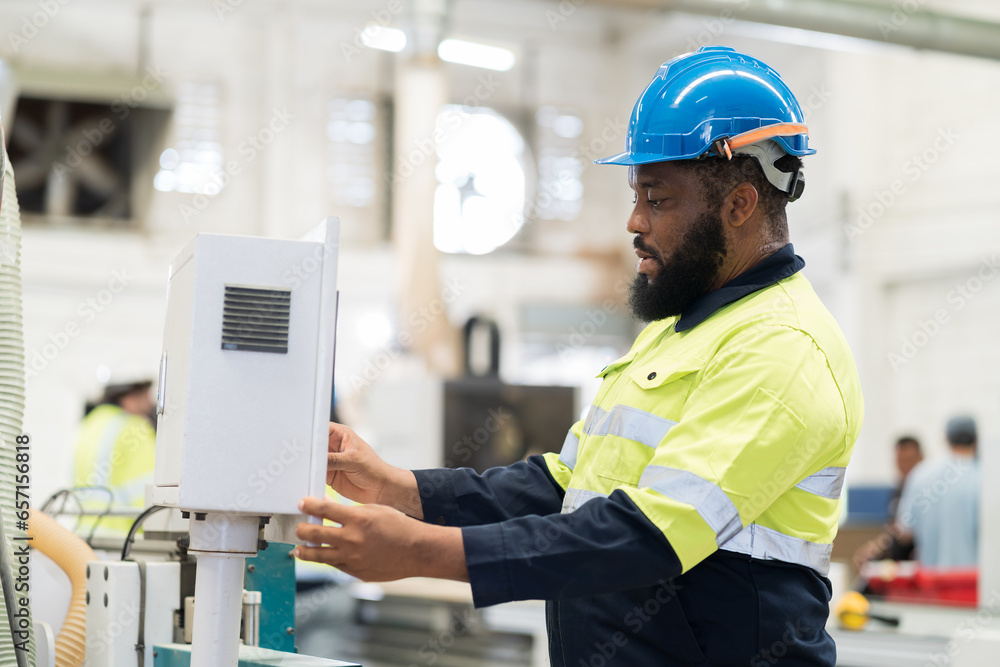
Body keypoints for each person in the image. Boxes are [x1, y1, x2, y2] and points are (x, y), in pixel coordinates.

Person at [293, 46, 863, 666]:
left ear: (739, 205)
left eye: (657, 198)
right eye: (635, 194)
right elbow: (566, 485)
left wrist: (423, 552)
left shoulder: (782, 348)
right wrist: (401, 490)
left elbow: (643, 537)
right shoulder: (680, 332)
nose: (633, 221)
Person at [73, 380, 157, 532]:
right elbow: (148, 498)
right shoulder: (136, 429)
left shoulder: (89, 424)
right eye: (146, 394)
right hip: (124, 540)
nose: (151, 402)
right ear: (129, 396)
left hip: (84, 536)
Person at [896, 416, 979, 568]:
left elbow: (905, 533)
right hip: (972, 582)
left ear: (946, 439)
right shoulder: (985, 477)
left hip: (931, 580)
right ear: (976, 440)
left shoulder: (921, 475)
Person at [854, 435, 923, 565]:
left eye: (909, 460)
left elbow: (907, 532)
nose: (905, 466)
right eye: (900, 461)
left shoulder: (928, 492)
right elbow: (895, 528)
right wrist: (875, 548)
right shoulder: (898, 491)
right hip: (896, 558)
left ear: (921, 459)